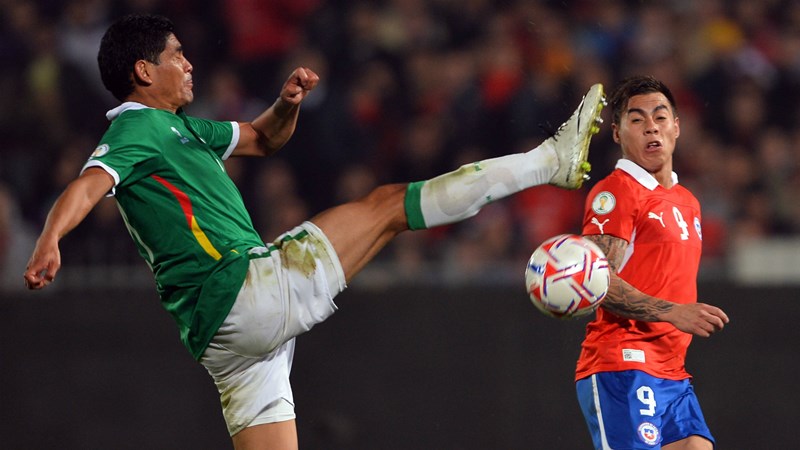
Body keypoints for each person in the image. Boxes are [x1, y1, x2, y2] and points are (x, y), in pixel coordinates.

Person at [23, 14, 605, 449]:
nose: (189, 63)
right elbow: (87, 185)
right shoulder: (136, 132)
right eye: (177, 55)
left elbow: (262, 138)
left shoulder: (179, 132)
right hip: (243, 288)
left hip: (224, 340)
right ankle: (546, 163)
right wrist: (51, 239)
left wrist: (286, 103)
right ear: (144, 71)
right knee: (385, 207)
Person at [576, 76, 730, 450]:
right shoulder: (616, 192)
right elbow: (596, 281)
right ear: (616, 133)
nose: (651, 127)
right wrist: (672, 312)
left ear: (676, 127)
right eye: (636, 119)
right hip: (623, 363)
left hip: (672, 372)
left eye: (660, 117)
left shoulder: (687, 201)